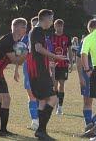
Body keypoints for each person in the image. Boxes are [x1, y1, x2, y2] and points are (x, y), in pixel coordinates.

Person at [27, 9, 67, 140]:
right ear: (45, 18)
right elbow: (38, 48)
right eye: (51, 19)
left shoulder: (38, 31)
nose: (52, 22)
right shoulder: (38, 30)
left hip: (38, 70)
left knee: (43, 101)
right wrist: (55, 56)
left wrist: (49, 62)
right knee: (54, 98)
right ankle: (41, 130)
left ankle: (41, 132)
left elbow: (37, 52)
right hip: (39, 72)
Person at [14, 16, 39, 130]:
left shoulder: (44, 38)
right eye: (33, 25)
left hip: (41, 72)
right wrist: (16, 70)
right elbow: (19, 55)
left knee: (40, 97)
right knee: (31, 95)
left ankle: (39, 121)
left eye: (37, 24)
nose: (35, 27)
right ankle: (35, 121)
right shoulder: (24, 39)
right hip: (28, 71)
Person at [51, 19, 73, 115]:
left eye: (61, 26)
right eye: (57, 26)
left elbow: (70, 50)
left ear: (63, 27)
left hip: (63, 65)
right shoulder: (51, 37)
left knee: (62, 85)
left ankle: (60, 107)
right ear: (54, 26)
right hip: (54, 65)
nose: (59, 28)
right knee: (54, 86)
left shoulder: (67, 37)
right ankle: (55, 104)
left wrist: (71, 62)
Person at [76, 36, 93, 127]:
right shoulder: (85, 41)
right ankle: (89, 124)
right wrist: (81, 77)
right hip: (87, 75)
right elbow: (79, 60)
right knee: (87, 101)